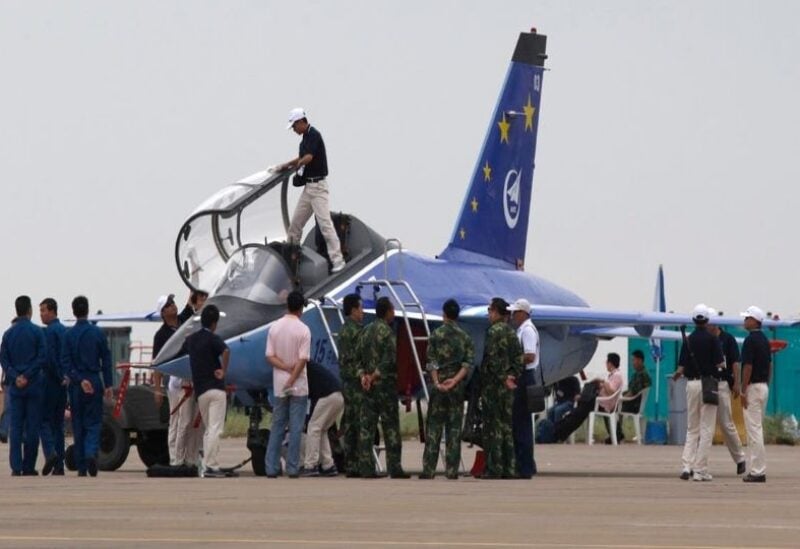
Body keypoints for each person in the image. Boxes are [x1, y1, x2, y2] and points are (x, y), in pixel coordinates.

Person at [276, 108, 345, 273]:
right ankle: (292, 264)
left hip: (318, 188)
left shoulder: (314, 135)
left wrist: (299, 165)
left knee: (325, 225)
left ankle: (338, 260)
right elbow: (302, 157)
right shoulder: (304, 140)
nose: (294, 130)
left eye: (294, 126)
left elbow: (308, 157)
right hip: (309, 189)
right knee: (295, 226)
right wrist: (285, 166)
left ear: (301, 122)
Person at [420, 299, 474, 480]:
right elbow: (467, 364)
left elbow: (431, 362)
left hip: (439, 388)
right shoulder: (465, 337)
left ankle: (429, 470)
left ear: (443, 314)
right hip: (456, 389)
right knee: (454, 429)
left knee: (434, 428)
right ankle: (452, 470)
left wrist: (436, 382)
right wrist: (455, 381)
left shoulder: (435, 335)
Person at [356, 297, 410, 479]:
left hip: (368, 388)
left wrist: (364, 376)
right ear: (387, 312)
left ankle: (366, 467)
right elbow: (388, 361)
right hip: (385, 387)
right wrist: (374, 375)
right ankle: (394, 467)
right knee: (391, 428)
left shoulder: (365, 331)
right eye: (392, 310)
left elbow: (357, 359)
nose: (394, 313)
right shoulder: (387, 333)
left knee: (366, 428)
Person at [153, 292, 206, 467]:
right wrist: (158, 389)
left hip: (192, 378)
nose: (173, 306)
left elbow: (190, 305)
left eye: (173, 303)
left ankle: (190, 459)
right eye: (168, 305)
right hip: (176, 384)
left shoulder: (184, 321)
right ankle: (176, 459)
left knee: (193, 422)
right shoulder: (161, 335)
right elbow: (157, 363)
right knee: (178, 422)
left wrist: (194, 290)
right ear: (162, 312)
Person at [62, 296, 113, 477]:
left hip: (77, 385)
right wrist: (108, 384)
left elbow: (65, 363)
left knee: (78, 424)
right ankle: (91, 453)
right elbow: (106, 359)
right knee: (94, 423)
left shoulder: (68, 335)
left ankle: (82, 466)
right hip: (94, 380)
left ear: (74, 311)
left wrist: (78, 379)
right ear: (87, 309)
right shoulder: (97, 334)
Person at [673, 304, 724, 482]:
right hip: (708, 383)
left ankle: (686, 466)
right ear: (707, 320)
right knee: (706, 428)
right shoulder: (713, 339)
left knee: (692, 428)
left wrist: (677, 375)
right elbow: (721, 364)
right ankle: (700, 469)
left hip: (692, 384)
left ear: (694, 320)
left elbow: (680, 368)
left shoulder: (688, 340)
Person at [265, 291, 311, 478]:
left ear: (287, 306)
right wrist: (293, 377)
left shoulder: (274, 328)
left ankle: (271, 467)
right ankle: (292, 467)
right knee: (295, 428)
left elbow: (269, 356)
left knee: (277, 426)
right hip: (298, 385)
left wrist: (284, 369)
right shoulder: (303, 330)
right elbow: (302, 360)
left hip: (279, 384)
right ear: (301, 308)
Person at [0, 296, 47, 475]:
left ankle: (16, 467)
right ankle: (28, 466)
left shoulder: (8, 333)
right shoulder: (37, 332)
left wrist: (15, 376)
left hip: (15, 387)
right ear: (29, 310)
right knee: (32, 427)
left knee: (16, 427)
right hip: (33, 385)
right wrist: (27, 375)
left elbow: (3, 358)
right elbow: (42, 357)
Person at [479, 297, 523, 479]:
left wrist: (502, 378)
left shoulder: (493, 332)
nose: (489, 314)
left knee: (493, 428)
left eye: (490, 310)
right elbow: (519, 359)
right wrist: (512, 376)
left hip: (493, 387)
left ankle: (494, 468)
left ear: (496, 312)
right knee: (506, 427)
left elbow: (491, 360)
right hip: (508, 388)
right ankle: (510, 468)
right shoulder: (512, 333)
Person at [186, 304, 230, 478]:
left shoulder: (192, 339)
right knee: (215, 428)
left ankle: (206, 464)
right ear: (214, 323)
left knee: (208, 429)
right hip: (216, 390)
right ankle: (211, 466)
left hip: (201, 391)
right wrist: (223, 370)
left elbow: (182, 348)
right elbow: (226, 350)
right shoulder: (213, 338)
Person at [706, 308, 746, 475]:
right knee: (704, 425)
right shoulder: (704, 338)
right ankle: (698, 464)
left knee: (726, 423)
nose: (706, 325)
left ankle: (740, 458)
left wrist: (737, 383)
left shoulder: (727, 339)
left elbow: (736, 363)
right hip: (707, 383)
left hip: (722, 384)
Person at [507, 298, 539, 478]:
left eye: (515, 313)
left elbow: (529, 356)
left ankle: (524, 468)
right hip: (524, 377)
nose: (512, 316)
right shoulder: (524, 329)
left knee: (521, 424)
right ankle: (527, 465)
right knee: (521, 423)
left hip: (525, 377)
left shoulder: (527, 331)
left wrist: (512, 362)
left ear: (523, 313)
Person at [739, 305, 771, 483]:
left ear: (754, 321)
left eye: (747, 318)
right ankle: (758, 468)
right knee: (757, 428)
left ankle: (758, 471)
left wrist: (743, 390)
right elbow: (770, 364)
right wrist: (767, 383)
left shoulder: (750, 341)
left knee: (754, 431)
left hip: (753, 387)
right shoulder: (765, 340)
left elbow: (747, 367)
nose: (744, 321)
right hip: (763, 386)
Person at [38, 298, 68, 476]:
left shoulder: (49, 332)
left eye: (43, 311)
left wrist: (57, 376)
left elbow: (50, 358)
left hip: (50, 382)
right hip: (63, 384)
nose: (41, 314)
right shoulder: (64, 330)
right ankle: (59, 466)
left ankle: (51, 453)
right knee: (58, 424)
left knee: (44, 421)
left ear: (52, 311)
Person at [336, 293, 364, 477]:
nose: (362, 312)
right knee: (357, 424)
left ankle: (351, 463)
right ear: (353, 309)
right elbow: (354, 360)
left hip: (350, 382)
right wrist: (363, 374)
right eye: (360, 308)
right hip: (355, 383)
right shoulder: (353, 331)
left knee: (351, 423)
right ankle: (356, 464)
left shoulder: (346, 329)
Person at [300, 362, 344, 477]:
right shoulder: (313, 368)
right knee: (322, 429)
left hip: (328, 396)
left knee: (313, 427)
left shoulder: (304, 368)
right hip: (338, 396)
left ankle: (311, 465)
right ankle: (328, 464)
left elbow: (312, 397)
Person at [616, 350, 652, 442]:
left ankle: (617, 433)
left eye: (634, 360)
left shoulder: (642, 374)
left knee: (615, 408)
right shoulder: (637, 374)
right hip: (634, 402)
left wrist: (621, 399)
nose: (633, 363)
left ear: (640, 360)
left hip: (634, 404)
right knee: (617, 406)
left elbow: (634, 392)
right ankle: (618, 433)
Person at [595, 353, 624, 444]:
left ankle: (617, 435)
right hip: (605, 401)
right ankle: (616, 434)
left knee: (586, 405)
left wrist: (604, 382)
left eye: (607, 362)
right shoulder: (612, 375)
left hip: (607, 403)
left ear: (610, 363)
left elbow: (611, 392)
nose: (606, 364)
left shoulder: (617, 375)